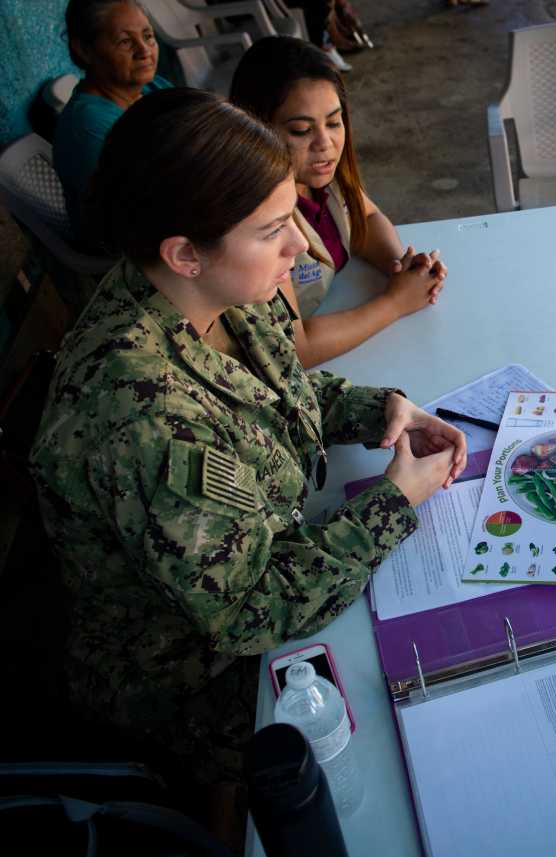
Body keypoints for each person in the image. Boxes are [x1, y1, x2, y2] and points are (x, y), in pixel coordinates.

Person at [30, 88, 467, 792]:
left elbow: (272, 393)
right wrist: (394, 500)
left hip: (271, 577)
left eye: (290, 213)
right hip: (199, 679)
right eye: (271, 230)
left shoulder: (207, 294)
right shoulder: (137, 417)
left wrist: (382, 408)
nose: (298, 244)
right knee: (428, 726)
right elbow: (251, 607)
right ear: (184, 252)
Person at [230, 36, 445, 368]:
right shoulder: (257, 215)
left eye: (334, 122)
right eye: (301, 130)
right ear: (254, 127)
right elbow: (294, 348)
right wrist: (395, 302)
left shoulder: (324, 178)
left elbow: (366, 219)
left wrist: (402, 269)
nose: (325, 143)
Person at [54, 0, 172, 240]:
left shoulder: (153, 87)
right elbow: (144, 210)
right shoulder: (88, 126)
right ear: (85, 50)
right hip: (129, 245)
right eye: (126, 42)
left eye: (148, 36)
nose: (144, 51)